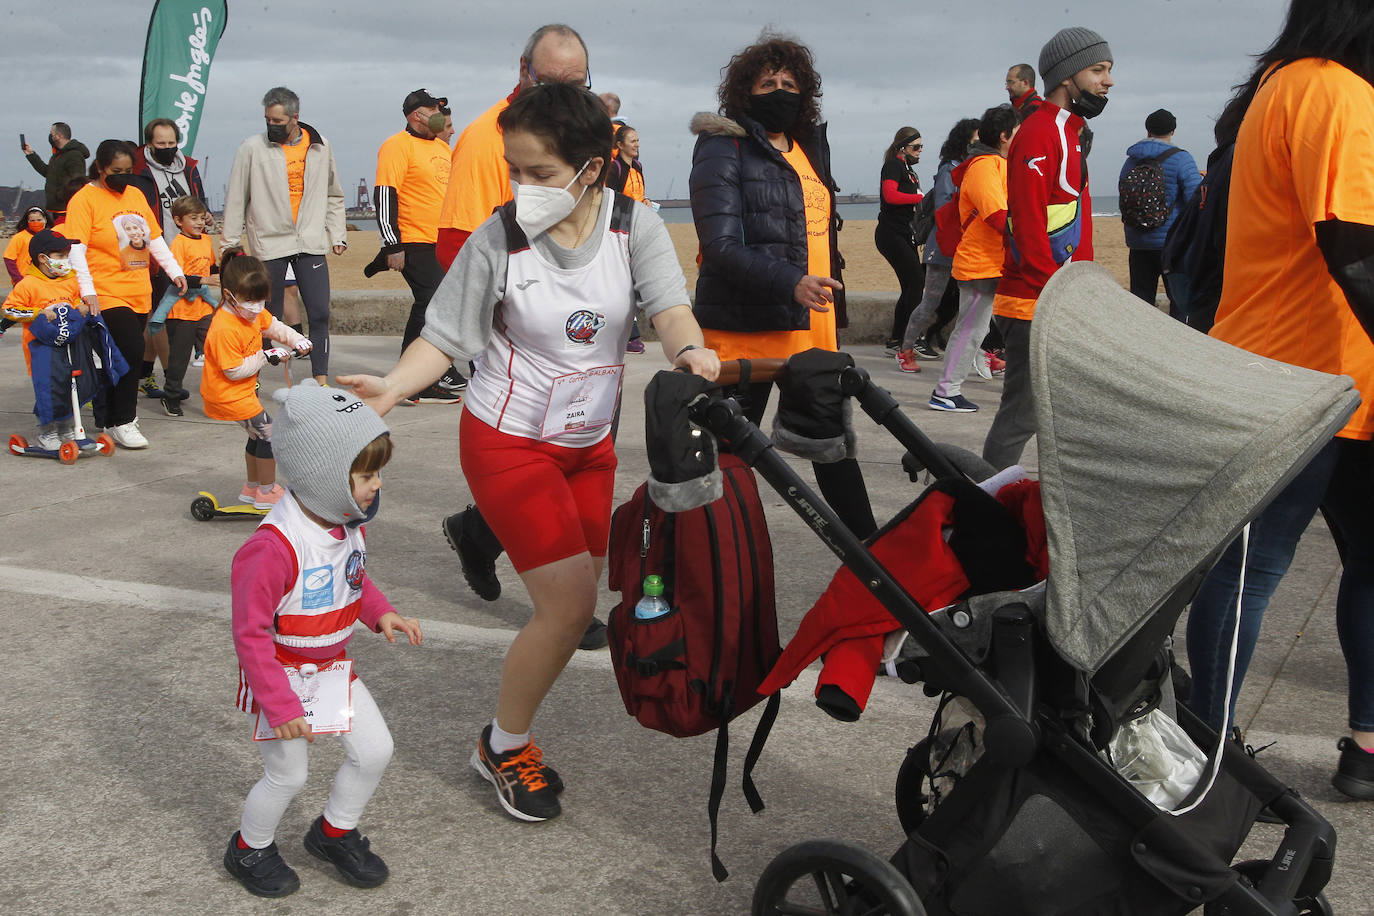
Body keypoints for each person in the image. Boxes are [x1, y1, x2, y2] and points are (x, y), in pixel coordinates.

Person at [340, 83, 720, 823]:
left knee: (585, 582)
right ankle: (502, 745)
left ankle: (475, 535)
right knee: (569, 606)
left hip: (588, 444)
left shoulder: (634, 224)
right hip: (508, 441)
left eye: (540, 172)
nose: (524, 188)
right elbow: (445, 335)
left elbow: (669, 306)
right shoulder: (500, 236)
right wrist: (390, 388)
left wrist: (691, 349)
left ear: (592, 168)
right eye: (515, 170)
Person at [1183, 0, 1374, 801]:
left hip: (1307, 371)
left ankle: (1209, 745)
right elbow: (1357, 254)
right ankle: (1215, 757)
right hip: (1308, 378)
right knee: (1256, 569)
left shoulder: (1274, 86)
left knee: (1256, 568)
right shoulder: (1333, 92)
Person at [224, 383, 422, 897]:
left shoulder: (343, 520)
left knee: (375, 750)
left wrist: (381, 613)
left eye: (377, 473)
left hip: (331, 669)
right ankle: (249, 848)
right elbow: (250, 635)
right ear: (322, 476)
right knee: (287, 775)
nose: (376, 485)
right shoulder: (272, 549)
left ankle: (332, 833)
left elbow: (354, 576)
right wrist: (280, 702)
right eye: (366, 476)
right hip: (280, 675)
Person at [435, 23, 598, 629]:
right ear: (523, 70)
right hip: (516, 332)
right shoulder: (485, 139)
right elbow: (457, 247)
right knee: (536, 464)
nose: (564, 95)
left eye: (576, 84)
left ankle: (477, 531)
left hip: (576, 329)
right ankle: (562, 609)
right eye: (551, 83)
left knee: (564, 460)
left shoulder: (584, 135)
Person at [689, 32, 877, 540]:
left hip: (813, 331)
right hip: (747, 332)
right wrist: (790, 282)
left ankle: (877, 562)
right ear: (744, 92)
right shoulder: (722, 148)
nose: (779, 90)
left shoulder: (809, 147)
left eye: (789, 82)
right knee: (723, 466)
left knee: (830, 451)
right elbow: (720, 245)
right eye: (767, 82)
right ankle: (706, 564)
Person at [982, 27, 1112, 471]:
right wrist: (1062, 295)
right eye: (1098, 70)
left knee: (1052, 413)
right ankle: (987, 500)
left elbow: (1071, 222)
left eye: (1108, 70)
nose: (1107, 82)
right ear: (1065, 76)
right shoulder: (1042, 133)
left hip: (1054, 298)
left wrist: (1086, 288)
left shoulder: (1069, 132)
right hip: (1034, 304)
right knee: (1022, 415)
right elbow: (1030, 226)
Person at [64, 139, 187, 450]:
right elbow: (76, 248)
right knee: (132, 350)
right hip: (105, 290)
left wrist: (175, 271)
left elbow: (155, 239)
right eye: (116, 171)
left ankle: (106, 413)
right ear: (101, 168)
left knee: (117, 356)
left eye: (128, 170)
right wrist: (88, 290)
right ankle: (124, 420)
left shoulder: (135, 194)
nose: (123, 176)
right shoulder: (85, 199)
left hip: (138, 289)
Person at [222, 87, 347, 385]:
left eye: (277, 121)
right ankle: (254, 376)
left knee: (318, 312)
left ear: (295, 118)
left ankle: (321, 381)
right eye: (267, 120)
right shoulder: (251, 148)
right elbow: (236, 198)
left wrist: (337, 233)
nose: (271, 126)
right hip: (269, 244)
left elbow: (334, 193)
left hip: (310, 242)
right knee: (265, 315)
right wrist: (229, 245)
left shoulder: (320, 145)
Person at [200, 248, 312, 509]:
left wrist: (297, 339)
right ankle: (266, 492)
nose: (256, 308)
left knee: (256, 436)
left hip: (241, 393)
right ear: (229, 295)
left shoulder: (250, 312)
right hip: (228, 394)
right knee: (270, 434)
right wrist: (266, 356)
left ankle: (252, 488)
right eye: (250, 301)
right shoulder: (224, 327)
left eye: (261, 300)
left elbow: (273, 325)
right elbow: (233, 370)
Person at [370, 88, 460, 403]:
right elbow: (384, 195)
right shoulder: (396, 146)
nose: (438, 114)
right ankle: (410, 379)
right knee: (430, 302)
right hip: (414, 240)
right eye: (433, 108)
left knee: (441, 308)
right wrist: (392, 244)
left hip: (443, 239)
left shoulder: (441, 148)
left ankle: (429, 373)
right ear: (416, 115)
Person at [928, 105, 1017, 413]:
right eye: (1016, 133)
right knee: (970, 331)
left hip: (993, 264)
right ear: (1005, 136)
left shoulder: (995, 164)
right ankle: (946, 391)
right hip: (981, 265)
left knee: (981, 329)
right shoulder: (983, 166)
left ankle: (950, 388)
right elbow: (997, 215)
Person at [897, 118, 980, 370]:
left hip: (965, 246)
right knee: (930, 302)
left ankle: (980, 354)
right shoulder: (949, 169)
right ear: (964, 141)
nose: (979, 145)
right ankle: (906, 349)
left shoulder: (972, 167)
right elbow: (944, 208)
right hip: (944, 247)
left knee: (977, 301)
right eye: (975, 140)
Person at [1119, 108, 1202, 314]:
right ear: (1172, 131)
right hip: (1172, 244)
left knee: (1141, 302)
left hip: (1138, 242)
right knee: (1179, 301)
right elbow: (1196, 198)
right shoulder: (1181, 159)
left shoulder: (1131, 160)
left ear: (1148, 130)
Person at [147, 196, 219, 417]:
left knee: (216, 351)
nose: (199, 222)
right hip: (181, 311)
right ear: (178, 221)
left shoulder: (206, 240)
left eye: (201, 217)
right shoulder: (178, 243)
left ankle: (218, 395)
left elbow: (212, 267)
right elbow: (174, 277)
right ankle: (171, 396)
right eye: (193, 218)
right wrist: (203, 281)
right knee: (179, 358)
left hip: (204, 309)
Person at [875, 126, 926, 359]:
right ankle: (907, 338)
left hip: (905, 233)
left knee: (911, 286)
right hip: (890, 233)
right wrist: (921, 198)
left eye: (921, 147)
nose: (919, 151)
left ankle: (897, 339)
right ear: (902, 147)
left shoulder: (909, 170)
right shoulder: (893, 166)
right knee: (916, 282)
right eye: (916, 147)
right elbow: (890, 196)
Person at [604, 124, 651, 354]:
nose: (637, 145)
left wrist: (646, 203)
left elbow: (638, 194)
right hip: (619, 231)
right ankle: (629, 335)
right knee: (623, 280)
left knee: (637, 279)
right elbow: (609, 199)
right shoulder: (615, 168)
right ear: (620, 145)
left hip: (637, 228)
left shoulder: (638, 167)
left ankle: (628, 333)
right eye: (632, 141)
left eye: (638, 140)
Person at [22, 123, 89, 219]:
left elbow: (78, 181)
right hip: (58, 208)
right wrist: (31, 154)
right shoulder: (58, 155)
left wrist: (60, 196)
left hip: (66, 209)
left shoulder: (74, 155)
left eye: (52, 134)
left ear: (59, 136)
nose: (50, 136)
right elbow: (48, 173)